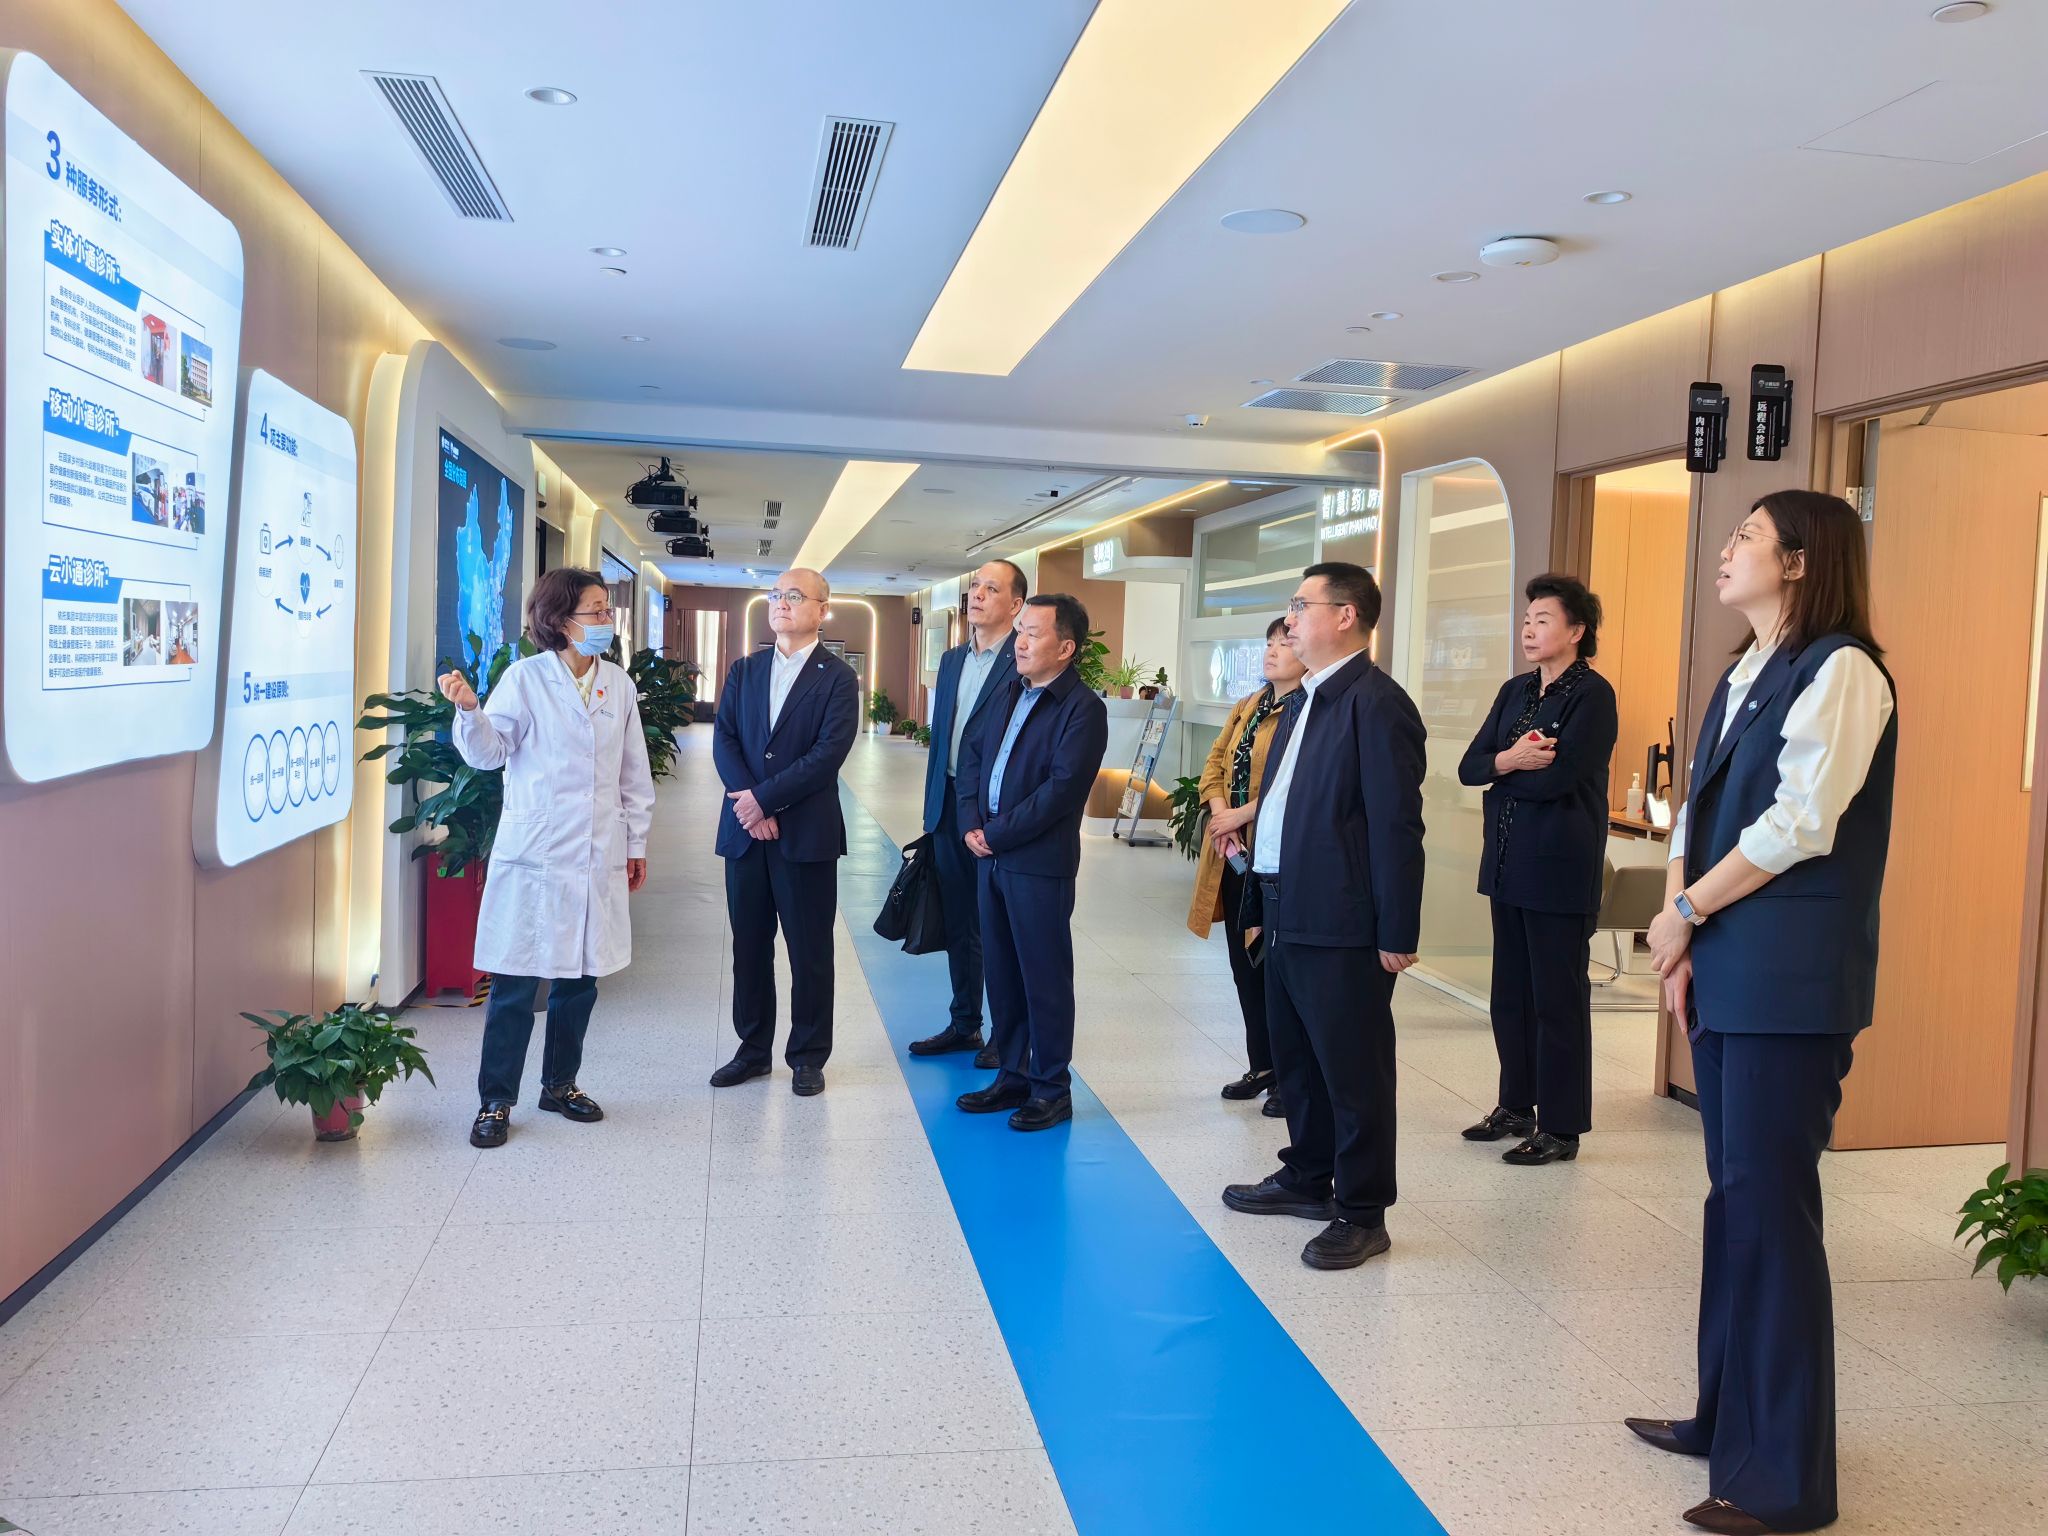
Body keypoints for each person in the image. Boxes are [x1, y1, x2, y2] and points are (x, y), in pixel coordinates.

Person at [1630, 491, 1897, 1536]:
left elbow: (1800, 823)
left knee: (1771, 1210)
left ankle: (1785, 1481)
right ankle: (1725, 1416)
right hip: (1727, 967)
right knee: (1733, 1200)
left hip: (1788, 983)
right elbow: (1694, 817)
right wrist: (1678, 932)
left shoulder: (1841, 669)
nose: (1726, 548)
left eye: (1745, 536)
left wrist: (1688, 913)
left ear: (1797, 561)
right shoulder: (1744, 669)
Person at [1221, 562, 1425, 1271]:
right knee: (1297, 1057)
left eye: (1301, 605)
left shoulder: (1377, 703)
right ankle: (1308, 1175)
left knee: (1353, 1069)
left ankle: (1363, 1211)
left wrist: (1398, 929)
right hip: (1286, 903)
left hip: (1342, 917)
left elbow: (1397, 825)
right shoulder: (1305, 698)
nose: (1290, 619)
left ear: (1345, 616)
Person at [439, 567, 656, 1150]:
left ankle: (560, 1084)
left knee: (580, 980)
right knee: (516, 982)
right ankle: (495, 1100)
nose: (606, 620)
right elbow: (489, 754)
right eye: (596, 611)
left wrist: (635, 843)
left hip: (596, 852)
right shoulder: (526, 678)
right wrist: (470, 711)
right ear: (560, 620)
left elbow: (633, 773)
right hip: (536, 855)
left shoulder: (618, 684)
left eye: (608, 610)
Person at [1456, 574, 1617, 1165]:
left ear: (1576, 631)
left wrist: (1505, 771)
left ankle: (1562, 1126)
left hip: (1559, 870)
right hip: (1506, 864)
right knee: (1510, 996)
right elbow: (1470, 766)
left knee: (1557, 1001)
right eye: (1527, 619)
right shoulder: (1516, 690)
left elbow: (1559, 779)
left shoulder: (1592, 696)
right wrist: (1511, 758)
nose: (1529, 628)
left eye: (1543, 619)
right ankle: (1515, 1105)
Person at [953, 593, 1109, 1131]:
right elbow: (972, 755)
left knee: (1043, 978)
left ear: (1065, 648)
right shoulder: (1009, 692)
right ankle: (1012, 1075)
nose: (1019, 642)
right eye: (1019, 632)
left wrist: (995, 834)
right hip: (989, 855)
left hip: (1037, 863)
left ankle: (1050, 1088)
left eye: (1033, 633)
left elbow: (1061, 791)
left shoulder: (1083, 709)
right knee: (1001, 971)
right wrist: (970, 821)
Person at [710, 568, 861, 1096]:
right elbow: (724, 740)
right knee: (749, 947)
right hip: (745, 833)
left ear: (822, 609)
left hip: (805, 835)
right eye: (776, 595)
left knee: (809, 950)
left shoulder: (837, 678)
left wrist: (764, 800)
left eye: (795, 596)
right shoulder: (745, 670)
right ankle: (752, 1051)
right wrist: (751, 806)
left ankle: (808, 1056)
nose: (781, 603)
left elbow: (827, 754)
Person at [1187, 617, 1306, 1118]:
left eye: (1285, 642)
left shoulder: (1307, 709)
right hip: (1233, 852)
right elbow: (1214, 765)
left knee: (1276, 969)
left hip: (1276, 853)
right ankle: (1262, 1064)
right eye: (1269, 643)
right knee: (1244, 964)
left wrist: (1241, 815)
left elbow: (1294, 783)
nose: (1273, 651)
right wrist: (1222, 816)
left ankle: (1291, 1077)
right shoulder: (1249, 705)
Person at [909, 559, 1025, 1070]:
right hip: (948, 805)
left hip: (995, 810)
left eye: (990, 589)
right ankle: (964, 1023)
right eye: (975, 586)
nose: (976, 595)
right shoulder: (953, 659)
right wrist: (933, 807)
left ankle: (1007, 1032)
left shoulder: (1022, 661)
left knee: (997, 926)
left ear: (1015, 605)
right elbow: (942, 740)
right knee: (959, 921)